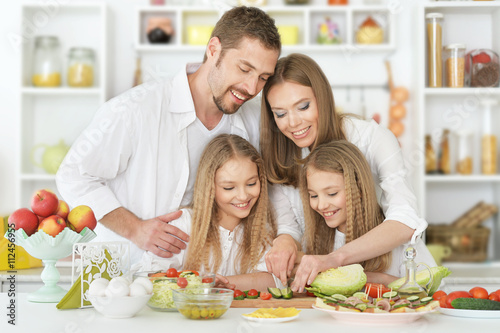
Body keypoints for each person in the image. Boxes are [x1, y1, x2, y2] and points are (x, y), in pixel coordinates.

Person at [55, 6, 281, 264]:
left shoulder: (252, 120)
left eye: (263, 78)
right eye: (244, 69)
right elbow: (74, 174)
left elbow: (274, 189)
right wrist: (135, 229)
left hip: (194, 281)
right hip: (122, 274)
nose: (252, 88)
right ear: (214, 49)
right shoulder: (136, 109)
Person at [260, 53, 429, 291]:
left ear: (322, 98)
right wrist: (284, 243)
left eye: (303, 106)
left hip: (390, 268)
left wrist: (335, 259)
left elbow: (406, 219)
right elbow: (290, 224)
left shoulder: (372, 138)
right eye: (280, 113)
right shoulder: (281, 154)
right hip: (338, 284)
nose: (293, 122)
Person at [134, 134, 277, 291]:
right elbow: (148, 276)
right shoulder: (185, 224)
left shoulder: (263, 229)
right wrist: (200, 283)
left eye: (251, 183)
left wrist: (217, 283)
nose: (243, 196)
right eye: (229, 187)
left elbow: (273, 280)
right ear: (209, 187)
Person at [293, 140, 436, 289]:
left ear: (359, 189)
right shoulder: (313, 240)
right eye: (313, 195)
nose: (321, 205)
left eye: (332, 193)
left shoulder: (399, 239)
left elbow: (433, 292)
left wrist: (376, 278)